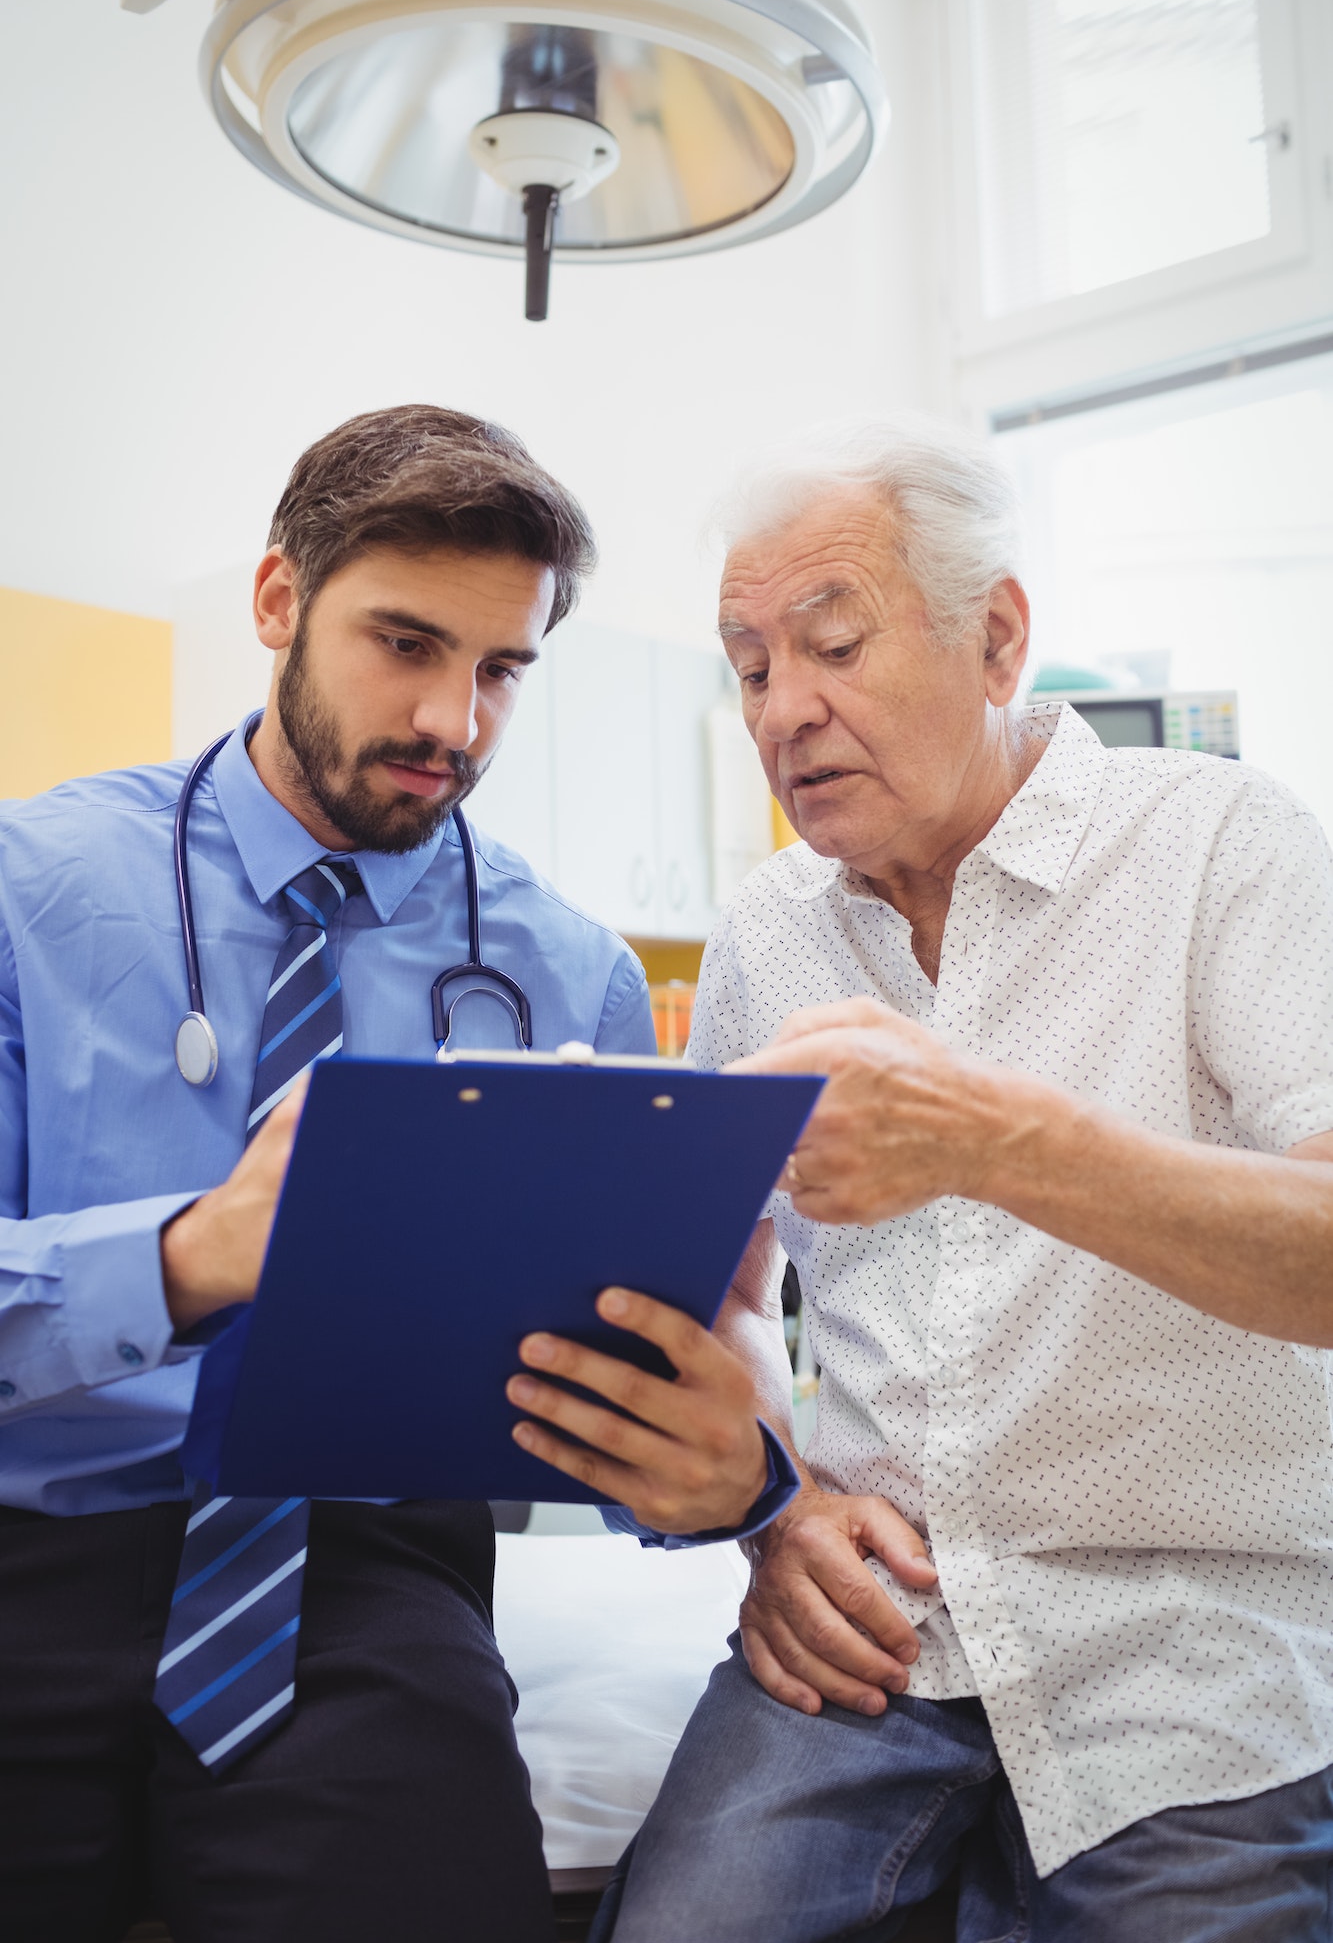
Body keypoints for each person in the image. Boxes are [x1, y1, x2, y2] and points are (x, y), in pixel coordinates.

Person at [0, 405, 796, 1943]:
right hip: (32, 1544)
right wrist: (192, 1253)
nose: (454, 720)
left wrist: (720, 1469)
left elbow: (641, 1374)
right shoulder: (31, 894)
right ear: (278, 603)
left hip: (359, 1575)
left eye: (501, 669)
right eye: (405, 643)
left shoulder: (573, 978)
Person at [592, 419, 1333, 1942]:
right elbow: (726, 1304)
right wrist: (773, 1512)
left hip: (1192, 1647)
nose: (783, 710)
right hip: (875, 1639)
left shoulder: (1217, 845)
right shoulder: (763, 935)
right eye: (746, 668)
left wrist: (991, 1142)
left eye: (834, 644)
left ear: (995, 640)